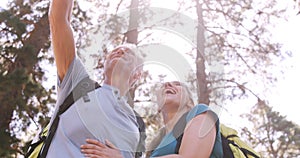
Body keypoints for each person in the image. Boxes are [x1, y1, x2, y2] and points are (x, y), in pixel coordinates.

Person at [41, 0, 144, 157]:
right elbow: (59, 19)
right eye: (115, 50)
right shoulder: (78, 84)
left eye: (128, 53)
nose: (120, 51)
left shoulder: (136, 126)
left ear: (137, 75)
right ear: (104, 65)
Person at [80, 81, 223, 158]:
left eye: (177, 84)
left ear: (190, 102)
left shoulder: (200, 113)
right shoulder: (157, 143)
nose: (168, 85)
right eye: (163, 87)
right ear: (158, 107)